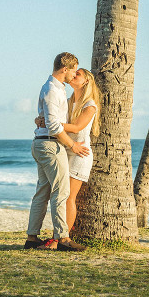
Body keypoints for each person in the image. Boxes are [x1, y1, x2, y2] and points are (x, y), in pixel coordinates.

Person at [24, 52, 89, 252]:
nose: (74, 74)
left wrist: (40, 120)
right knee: (61, 191)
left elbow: (50, 120)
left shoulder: (55, 89)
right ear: (64, 69)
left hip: (43, 143)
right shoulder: (53, 89)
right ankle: (63, 238)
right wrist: (72, 145)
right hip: (51, 145)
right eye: (73, 70)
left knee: (42, 192)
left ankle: (32, 238)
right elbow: (53, 126)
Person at [36, 68, 100, 233]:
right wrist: (43, 120)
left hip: (80, 152)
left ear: (86, 81)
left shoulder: (90, 105)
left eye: (78, 74)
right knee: (60, 196)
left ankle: (63, 238)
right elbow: (52, 116)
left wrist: (50, 123)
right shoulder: (69, 100)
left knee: (69, 197)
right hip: (66, 149)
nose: (74, 75)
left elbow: (77, 127)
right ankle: (60, 236)